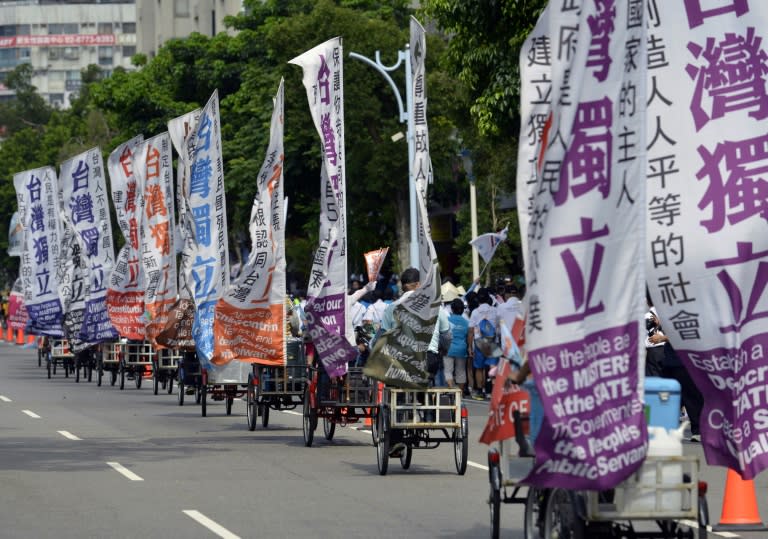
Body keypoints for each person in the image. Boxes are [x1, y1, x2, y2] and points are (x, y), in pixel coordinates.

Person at [646, 305, 704, 442]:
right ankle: (662, 428)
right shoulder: (670, 313)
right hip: (669, 360)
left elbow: (682, 335)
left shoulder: (687, 312)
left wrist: (662, 338)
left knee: (690, 396)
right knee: (666, 395)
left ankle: (698, 430)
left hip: (683, 361)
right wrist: (660, 324)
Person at [468, 287, 500, 400]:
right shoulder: (495, 310)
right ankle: (492, 392)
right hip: (493, 341)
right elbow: (499, 326)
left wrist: (469, 347)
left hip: (479, 342)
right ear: (488, 298)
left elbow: (471, 331)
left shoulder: (475, 312)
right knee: (493, 367)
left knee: (479, 368)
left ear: (478, 299)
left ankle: (480, 391)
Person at [443, 298, 469, 392]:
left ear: (452, 309)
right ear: (462, 309)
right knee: (461, 372)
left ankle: (451, 390)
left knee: (448, 370)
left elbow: (443, 335)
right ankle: (459, 395)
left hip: (448, 349)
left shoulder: (447, 320)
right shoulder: (466, 322)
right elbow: (468, 336)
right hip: (462, 349)